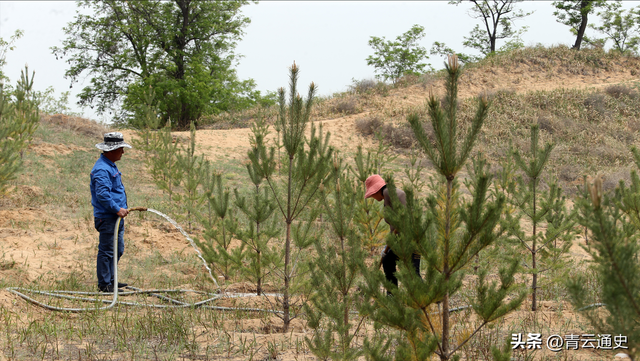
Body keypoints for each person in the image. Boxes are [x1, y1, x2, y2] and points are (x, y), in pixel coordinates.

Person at [365, 174, 420, 294]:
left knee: (412, 273)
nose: (372, 197)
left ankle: (430, 299)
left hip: (408, 239)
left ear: (376, 190)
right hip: (407, 238)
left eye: (372, 194)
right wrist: (388, 245)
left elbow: (403, 218)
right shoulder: (389, 193)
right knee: (389, 261)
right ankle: (393, 297)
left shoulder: (390, 194)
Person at [90, 132, 132, 293]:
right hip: (108, 218)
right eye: (121, 149)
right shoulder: (102, 169)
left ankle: (112, 280)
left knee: (117, 249)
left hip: (115, 218)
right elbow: (102, 195)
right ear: (111, 150)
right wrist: (117, 209)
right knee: (107, 250)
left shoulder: (109, 165)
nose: (123, 152)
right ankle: (105, 284)